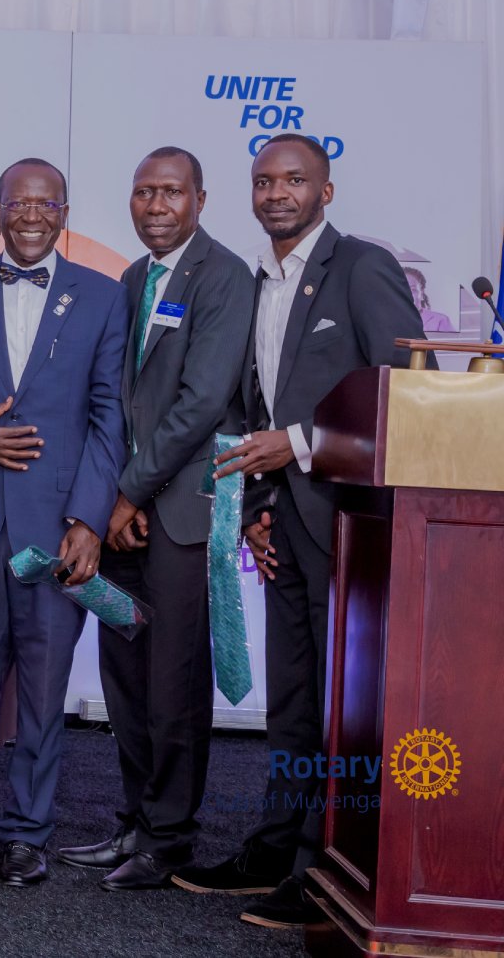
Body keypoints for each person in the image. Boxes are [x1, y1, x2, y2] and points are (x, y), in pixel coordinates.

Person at [180, 133, 427, 929]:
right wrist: (258, 507)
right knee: (292, 701)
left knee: (341, 706)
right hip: (283, 523)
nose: (276, 193)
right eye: (263, 181)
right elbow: (257, 408)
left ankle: (327, 868)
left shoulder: (361, 267)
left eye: (293, 180)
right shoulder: (256, 279)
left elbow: (407, 389)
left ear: (326, 191)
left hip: (353, 528)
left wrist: (299, 443)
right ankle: (276, 846)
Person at [55, 147, 251, 890]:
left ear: (200, 198)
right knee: (127, 676)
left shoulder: (223, 276)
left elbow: (202, 402)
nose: (156, 206)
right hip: (127, 514)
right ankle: (136, 821)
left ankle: (171, 837)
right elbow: (117, 399)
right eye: (144, 192)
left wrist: (128, 495)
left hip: (179, 513)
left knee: (173, 679)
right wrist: (115, 498)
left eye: (171, 192)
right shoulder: (134, 277)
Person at [0, 157, 129, 887]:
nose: (32, 215)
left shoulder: (104, 296)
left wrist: (89, 519)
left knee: (45, 693)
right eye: (18, 203)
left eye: (47, 204)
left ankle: (27, 831)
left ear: (65, 212)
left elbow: (109, 417)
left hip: (56, 529)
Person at [402, 266, 457, 333]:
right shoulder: (391, 319)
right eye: (402, 289)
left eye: (413, 289)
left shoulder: (441, 320)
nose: (407, 294)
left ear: (422, 294)